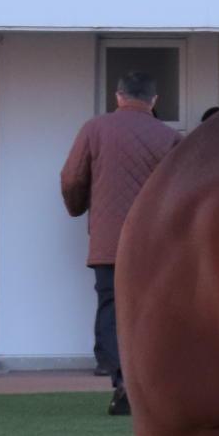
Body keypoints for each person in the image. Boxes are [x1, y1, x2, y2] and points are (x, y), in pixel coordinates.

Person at [60, 71, 181, 416]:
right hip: (156, 244)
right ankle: (150, 384)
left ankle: (120, 379)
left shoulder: (94, 129)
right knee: (152, 312)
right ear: (154, 100)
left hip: (109, 242)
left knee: (112, 308)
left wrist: (78, 208)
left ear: (118, 96)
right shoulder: (170, 138)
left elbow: (72, 178)